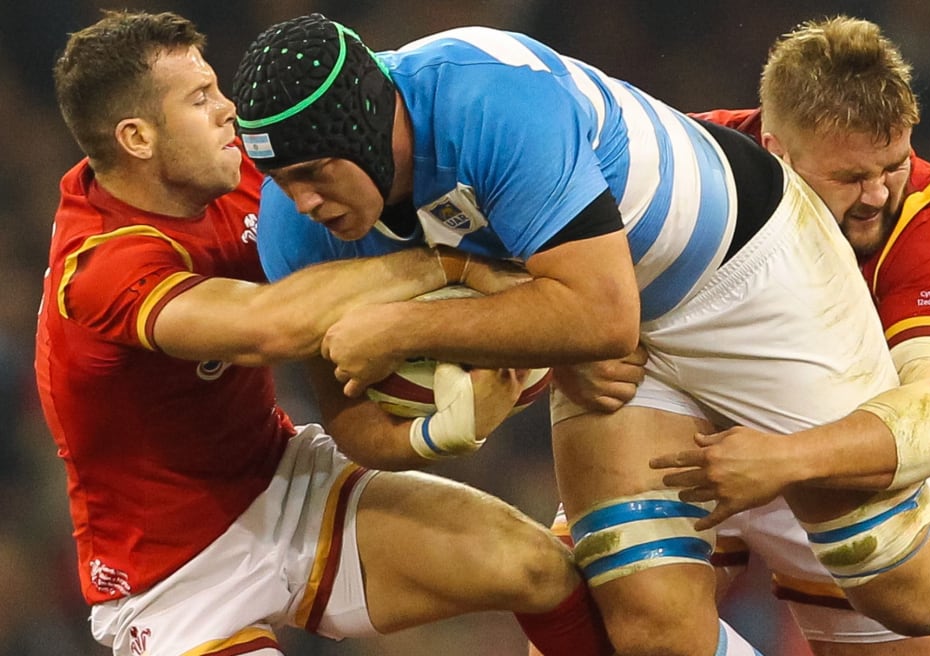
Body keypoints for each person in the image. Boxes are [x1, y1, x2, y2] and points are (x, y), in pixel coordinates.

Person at [231, 14, 930, 656]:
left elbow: (600, 313)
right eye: (280, 180)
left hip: (750, 284)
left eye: (313, 173)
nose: (300, 201)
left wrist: (417, 325)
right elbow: (355, 427)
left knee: (910, 593)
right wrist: (455, 420)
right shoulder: (297, 232)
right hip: (618, 343)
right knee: (648, 629)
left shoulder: (493, 98)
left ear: (374, 124)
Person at [37, 10, 614, 655]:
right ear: (137, 137)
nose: (230, 111)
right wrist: (441, 266)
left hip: (287, 483)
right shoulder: (98, 264)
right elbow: (266, 329)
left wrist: (559, 341)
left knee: (536, 568)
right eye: (200, 99)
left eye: (217, 88)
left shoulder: (248, 182)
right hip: (171, 576)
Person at [552, 15, 930, 656]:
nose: (877, 195)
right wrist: (569, 355)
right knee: (594, 626)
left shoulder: (928, 218)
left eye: (893, 164)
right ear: (776, 149)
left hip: (838, 451)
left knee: (922, 622)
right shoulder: (685, 166)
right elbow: (537, 269)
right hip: (681, 432)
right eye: (849, 178)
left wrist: (784, 460)